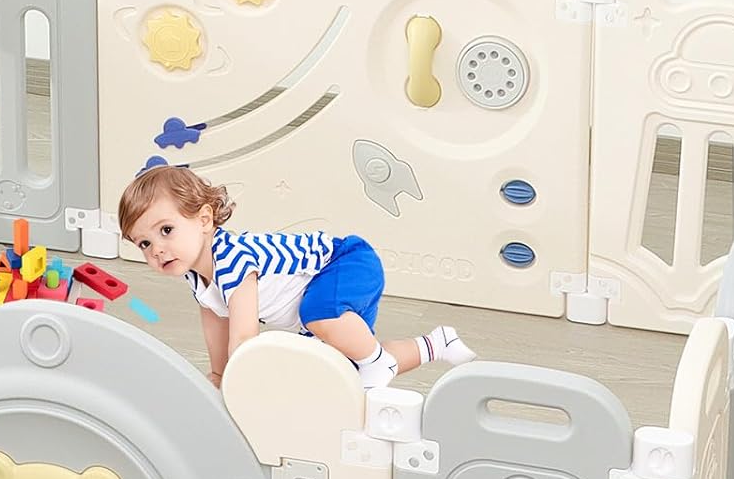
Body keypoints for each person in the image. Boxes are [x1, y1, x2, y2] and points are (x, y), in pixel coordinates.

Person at [117, 164, 474, 390]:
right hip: (325, 297)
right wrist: (219, 374)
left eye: (166, 230)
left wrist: (239, 385)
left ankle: (377, 363)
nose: (157, 250)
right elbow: (216, 323)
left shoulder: (232, 259)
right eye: (144, 243)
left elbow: (244, 338)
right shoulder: (199, 278)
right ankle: (435, 344)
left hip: (346, 262)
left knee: (320, 316)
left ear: (205, 220)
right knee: (341, 368)